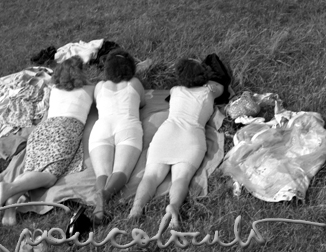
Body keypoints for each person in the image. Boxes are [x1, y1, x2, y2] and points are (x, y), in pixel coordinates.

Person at [0, 56, 95, 226]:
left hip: (42, 131)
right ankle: (9, 188)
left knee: (32, 169)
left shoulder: (54, 89)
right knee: (49, 177)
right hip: (65, 130)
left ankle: (11, 206)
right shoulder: (90, 89)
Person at [128, 58, 224, 229]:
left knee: (150, 176)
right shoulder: (209, 91)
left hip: (167, 133)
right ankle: (173, 207)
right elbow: (221, 82)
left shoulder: (175, 90)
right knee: (181, 178)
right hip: (192, 137)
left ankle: (137, 207)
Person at [89, 48, 145, 223]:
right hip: (127, 125)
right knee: (121, 171)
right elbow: (143, 102)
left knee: (102, 173)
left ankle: (99, 207)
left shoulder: (99, 87)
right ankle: (105, 194)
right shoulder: (134, 83)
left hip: (101, 127)